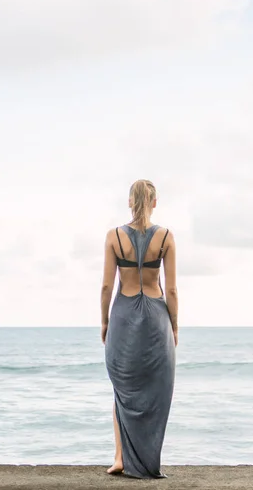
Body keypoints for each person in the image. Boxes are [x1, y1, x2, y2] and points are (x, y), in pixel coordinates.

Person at [100, 179, 178, 479]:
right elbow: (171, 291)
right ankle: (147, 460)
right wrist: (175, 326)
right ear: (154, 202)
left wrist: (104, 321)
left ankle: (120, 458)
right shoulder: (167, 237)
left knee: (122, 391)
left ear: (130, 202)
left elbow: (107, 285)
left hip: (122, 315)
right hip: (157, 318)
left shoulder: (114, 236)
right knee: (157, 392)